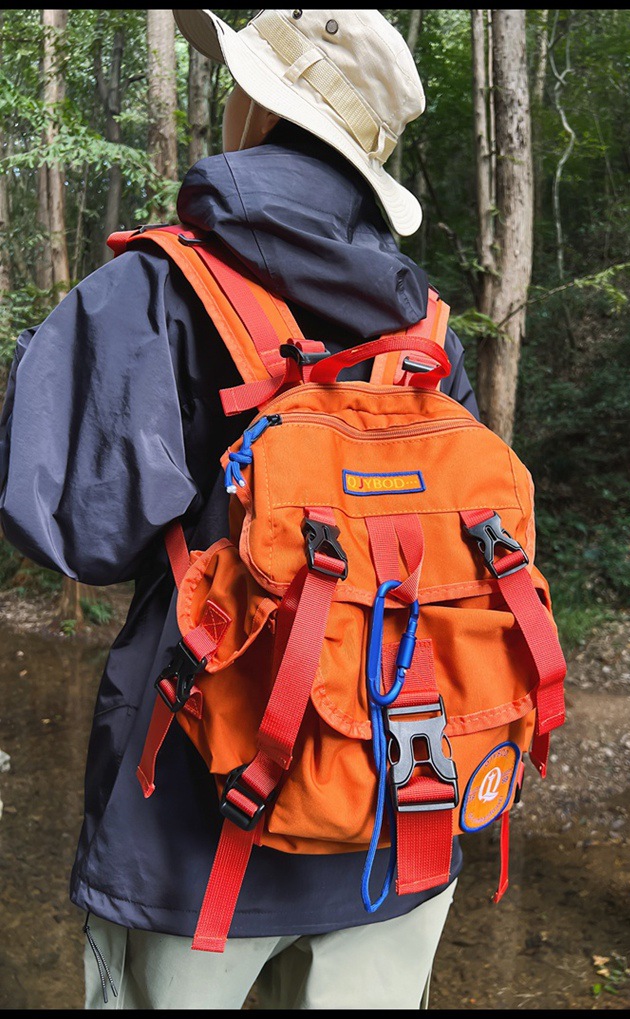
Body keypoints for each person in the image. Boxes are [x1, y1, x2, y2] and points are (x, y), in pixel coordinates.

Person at [0, 9, 479, 1010]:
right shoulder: (427, 327)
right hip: (402, 800)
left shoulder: (154, 288)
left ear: (258, 106)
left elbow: (76, 528)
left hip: (196, 813)